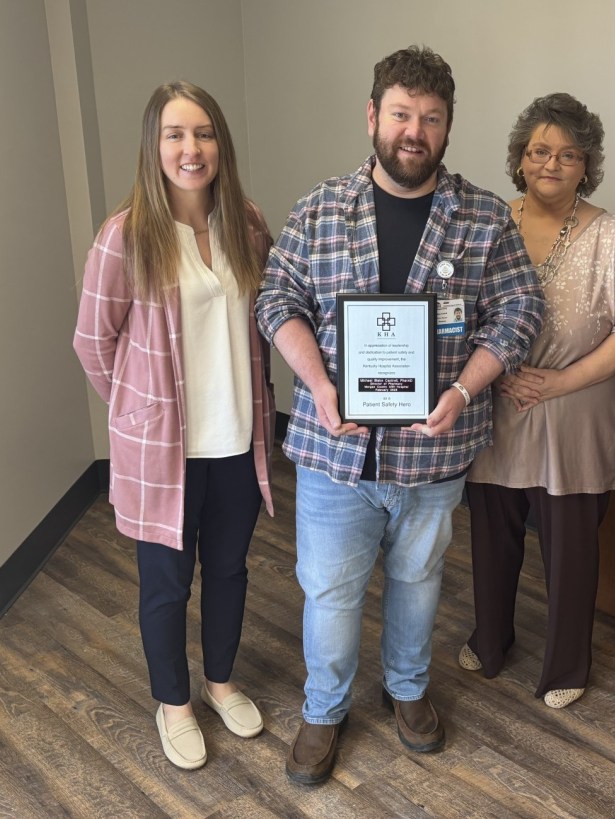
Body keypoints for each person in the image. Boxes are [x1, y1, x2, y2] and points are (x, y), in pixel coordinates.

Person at [255, 46, 543, 785]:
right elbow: (276, 299)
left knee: (419, 580)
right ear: (373, 116)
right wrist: (318, 383)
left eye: (431, 118)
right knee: (330, 590)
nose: (415, 131)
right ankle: (325, 708)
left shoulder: (484, 218)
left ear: (448, 127)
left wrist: (465, 390)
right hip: (334, 450)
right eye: (402, 114)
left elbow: (518, 312)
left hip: (433, 453)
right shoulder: (321, 208)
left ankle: (408, 689)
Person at [74, 81, 275, 769]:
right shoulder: (125, 235)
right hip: (164, 452)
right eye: (175, 134)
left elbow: (268, 318)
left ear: (221, 144)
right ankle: (175, 702)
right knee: (166, 585)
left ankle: (219, 682)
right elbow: (92, 342)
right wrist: (136, 411)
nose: (192, 149)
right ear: (153, 146)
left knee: (229, 571)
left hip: (237, 440)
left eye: (204, 133)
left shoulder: (247, 224)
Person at [462, 93, 615, 709]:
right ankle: (490, 640)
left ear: (586, 165)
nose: (551, 164)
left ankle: (567, 663)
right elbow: (458, 310)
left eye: (568, 154)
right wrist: (497, 374)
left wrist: (559, 381)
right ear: (520, 158)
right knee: (491, 531)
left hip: (577, 407)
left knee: (570, 546)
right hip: (499, 400)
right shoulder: (490, 224)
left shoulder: (611, 235)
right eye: (539, 151)